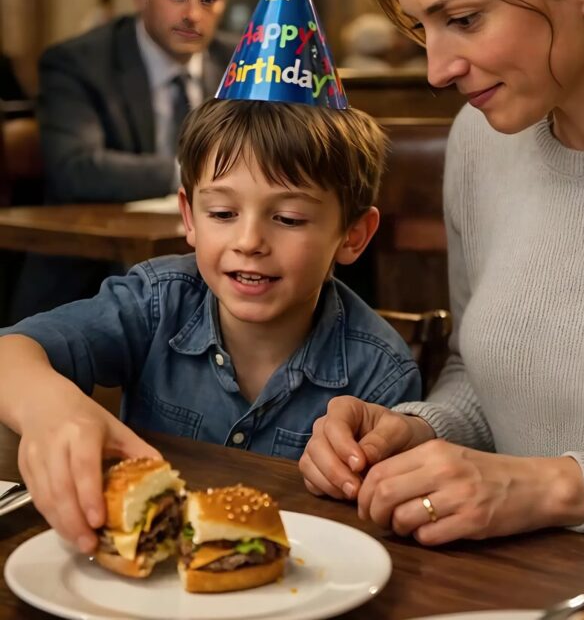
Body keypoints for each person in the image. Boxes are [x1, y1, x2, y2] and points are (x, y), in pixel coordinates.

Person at [299, 0, 584, 543]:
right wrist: (413, 432)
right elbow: (481, 379)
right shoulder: (480, 143)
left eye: (464, 18)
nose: (437, 69)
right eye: (423, 28)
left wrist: (557, 488)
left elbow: (537, 479)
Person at [0, 97, 422, 552]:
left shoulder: (381, 372)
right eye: (222, 213)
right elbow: (11, 352)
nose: (249, 241)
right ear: (189, 217)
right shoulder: (158, 301)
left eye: (289, 218)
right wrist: (50, 409)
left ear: (353, 235)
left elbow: (388, 532)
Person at [10, 0, 238, 320]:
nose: (192, 14)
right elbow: (76, 169)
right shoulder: (78, 62)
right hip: (93, 279)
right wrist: (194, 173)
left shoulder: (242, 61)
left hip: (216, 273)